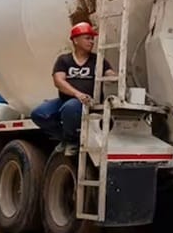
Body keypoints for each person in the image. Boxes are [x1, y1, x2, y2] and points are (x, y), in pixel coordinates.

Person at [31, 22, 114, 151]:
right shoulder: (64, 60)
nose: (91, 42)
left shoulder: (97, 60)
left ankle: (72, 141)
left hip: (88, 101)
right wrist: (77, 94)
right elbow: (58, 81)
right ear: (75, 40)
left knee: (70, 108)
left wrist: (113, 77)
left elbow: (110, 74)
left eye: (92, 39)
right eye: (87, 38)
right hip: (66, 99)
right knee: (39, 114)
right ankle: (66, 138)